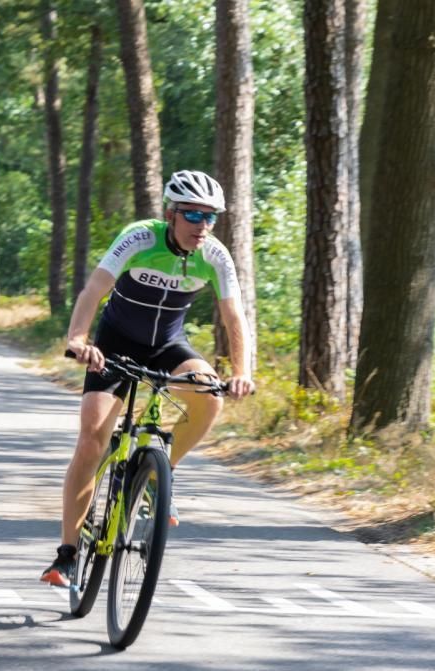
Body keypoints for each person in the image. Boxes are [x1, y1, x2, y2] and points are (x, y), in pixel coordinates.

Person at [41, 170, 256, 587]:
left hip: (167, 344)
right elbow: (94, 291)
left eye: (211, 217)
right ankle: (66, 555)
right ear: (171, 214)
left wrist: (242, 372)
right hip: (114, 344)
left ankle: (161, 475)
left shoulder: (215, 255)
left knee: (210, 395)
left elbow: (235, 319)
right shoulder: (140, 237)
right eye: (193, 216)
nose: (203, 226)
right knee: (91, 440)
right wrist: (78, 338)